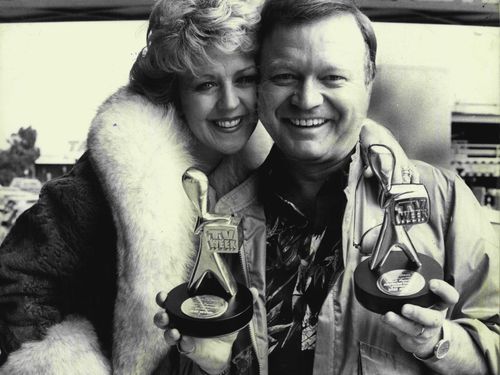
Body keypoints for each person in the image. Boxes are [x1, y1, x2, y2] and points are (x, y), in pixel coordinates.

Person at [0, 0, 411, 374]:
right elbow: (15, 278)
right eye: (206, 84)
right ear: (175, 90)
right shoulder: (120, 175)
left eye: (245, 79)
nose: (230, 104)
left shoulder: (269, 155)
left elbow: (341, 128)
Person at [154, 0, 499, 374]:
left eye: (332, 77)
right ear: (261, 87)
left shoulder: (443, 201)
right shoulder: (214, 214)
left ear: (368, 81)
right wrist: (212, 365)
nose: (306, 100)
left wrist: (438, 343)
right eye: (284, 76)